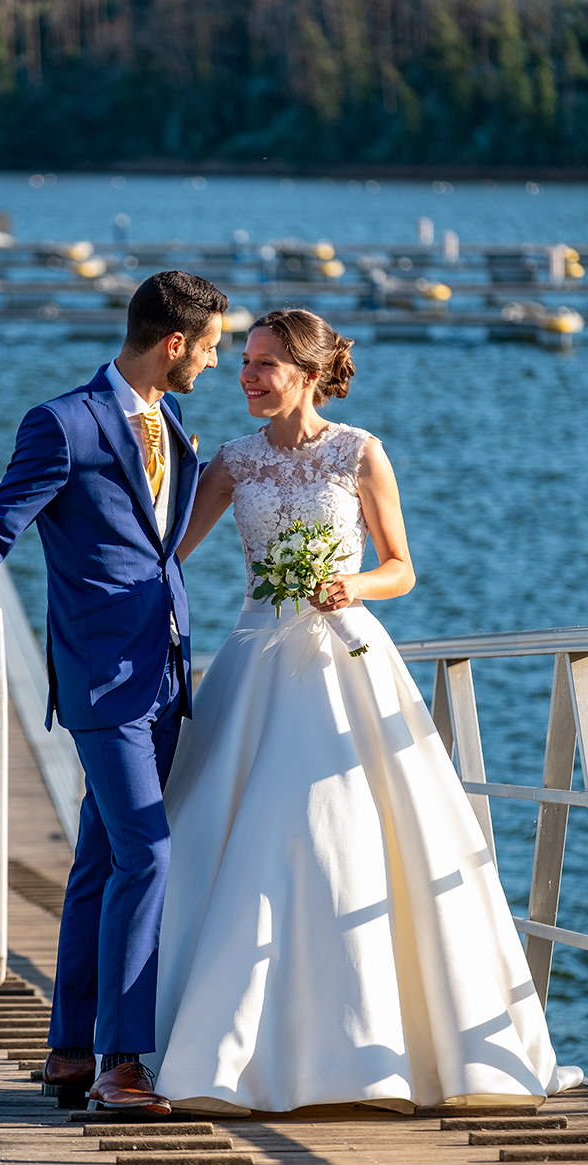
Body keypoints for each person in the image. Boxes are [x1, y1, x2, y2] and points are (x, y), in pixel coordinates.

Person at [144, 308, 582, 1115]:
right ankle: (216, 1043)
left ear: (309, 373)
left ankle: (386, 1046)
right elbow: (162, 554)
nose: (247, 376)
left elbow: (402, 568)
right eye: (243, 361)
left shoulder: (360, 452)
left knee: (354, 834)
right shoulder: (232, 464)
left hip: (348, 655)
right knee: (241, 834)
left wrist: (353, 585)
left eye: (266, 364)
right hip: (255, 658)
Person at [0, 271, 229, 1115]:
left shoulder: (172, 419)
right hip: (99, 677)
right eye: (214, 348)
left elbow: (158, 547)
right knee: (146, 851)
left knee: (100, 861)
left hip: (163, 667)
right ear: (174, 343)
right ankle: (123, 1059)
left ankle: (70, 1051)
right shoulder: (65, 423)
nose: (217, 365)